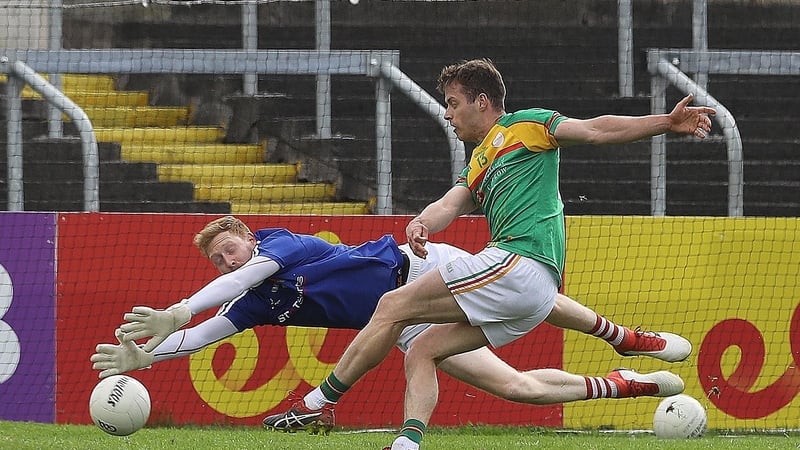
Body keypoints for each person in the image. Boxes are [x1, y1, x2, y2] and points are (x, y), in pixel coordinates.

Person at [260, 58, 716, 450]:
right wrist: (422, 221)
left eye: (454, 103)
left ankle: (319, 403)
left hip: (520, 265)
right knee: (421, 350)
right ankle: (407, 441)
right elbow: (451, 203)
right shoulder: (478, 161)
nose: (447, 113)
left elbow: (596, 130)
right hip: (529, 294)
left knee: (391, 306)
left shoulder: (526, 126)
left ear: (482, 101)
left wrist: (664, 122)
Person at [92, 215, 690, 433]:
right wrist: (155, 353)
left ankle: (627, 336)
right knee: (517, 388)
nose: (229, 259)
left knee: (526, 292)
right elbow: (206, 332)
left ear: (249, 236)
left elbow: (239, 282)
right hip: (402, 321)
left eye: (230, 247)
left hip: (419, 271)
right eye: (218, 257)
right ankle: (633, 382)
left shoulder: (279, 245)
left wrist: (178, 308)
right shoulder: (256, 305)